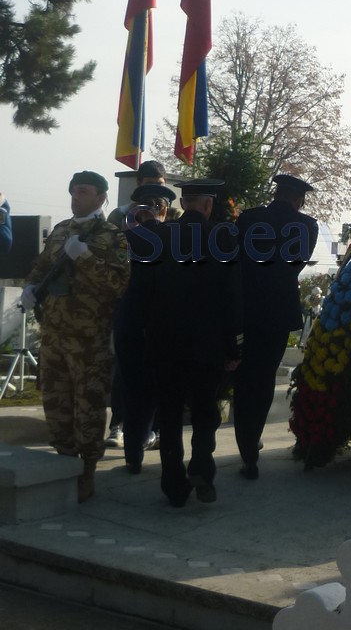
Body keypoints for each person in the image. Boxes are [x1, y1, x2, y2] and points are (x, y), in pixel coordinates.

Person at [127, 178, 242, 507]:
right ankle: (202, 468)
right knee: (206, 411)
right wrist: (234, 347)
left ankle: (173, 484)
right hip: (207, 345)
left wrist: (141, 337)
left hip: (164, 343)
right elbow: (232, 298)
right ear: (208, 205)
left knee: (169, 413)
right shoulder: (223, 238)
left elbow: (139, 294)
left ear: (183, 202)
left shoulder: (157, 237)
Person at [20, 171, 130, 502]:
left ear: (101, 197)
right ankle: (64, 461)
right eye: (73, 192)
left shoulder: (113, 236)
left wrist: (86, 257)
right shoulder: (60, 231)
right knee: (55, 402)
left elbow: (120, 283)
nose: (75, 198)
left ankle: (88, 469)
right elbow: (41, 266)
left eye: (83, 192)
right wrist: (30, 286)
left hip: (89, 339)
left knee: (88, 406)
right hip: (54, 334)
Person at [234, 174, 319, 478]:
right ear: (299, 200)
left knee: (244, 377)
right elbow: (298, 263)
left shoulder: (248, 219)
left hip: (246, 310)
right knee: (265, 376)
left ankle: (246, 444)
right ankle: (252, 442)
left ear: (276, 194)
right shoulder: (307, 227)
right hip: (279, 312)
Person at [114, 182, 176, 474]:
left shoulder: (124, 240)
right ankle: (146, 446)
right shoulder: (174, 240)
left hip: (137, 325)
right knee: (153, 389)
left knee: (136, 390)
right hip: (155, 326)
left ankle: (135, 452)